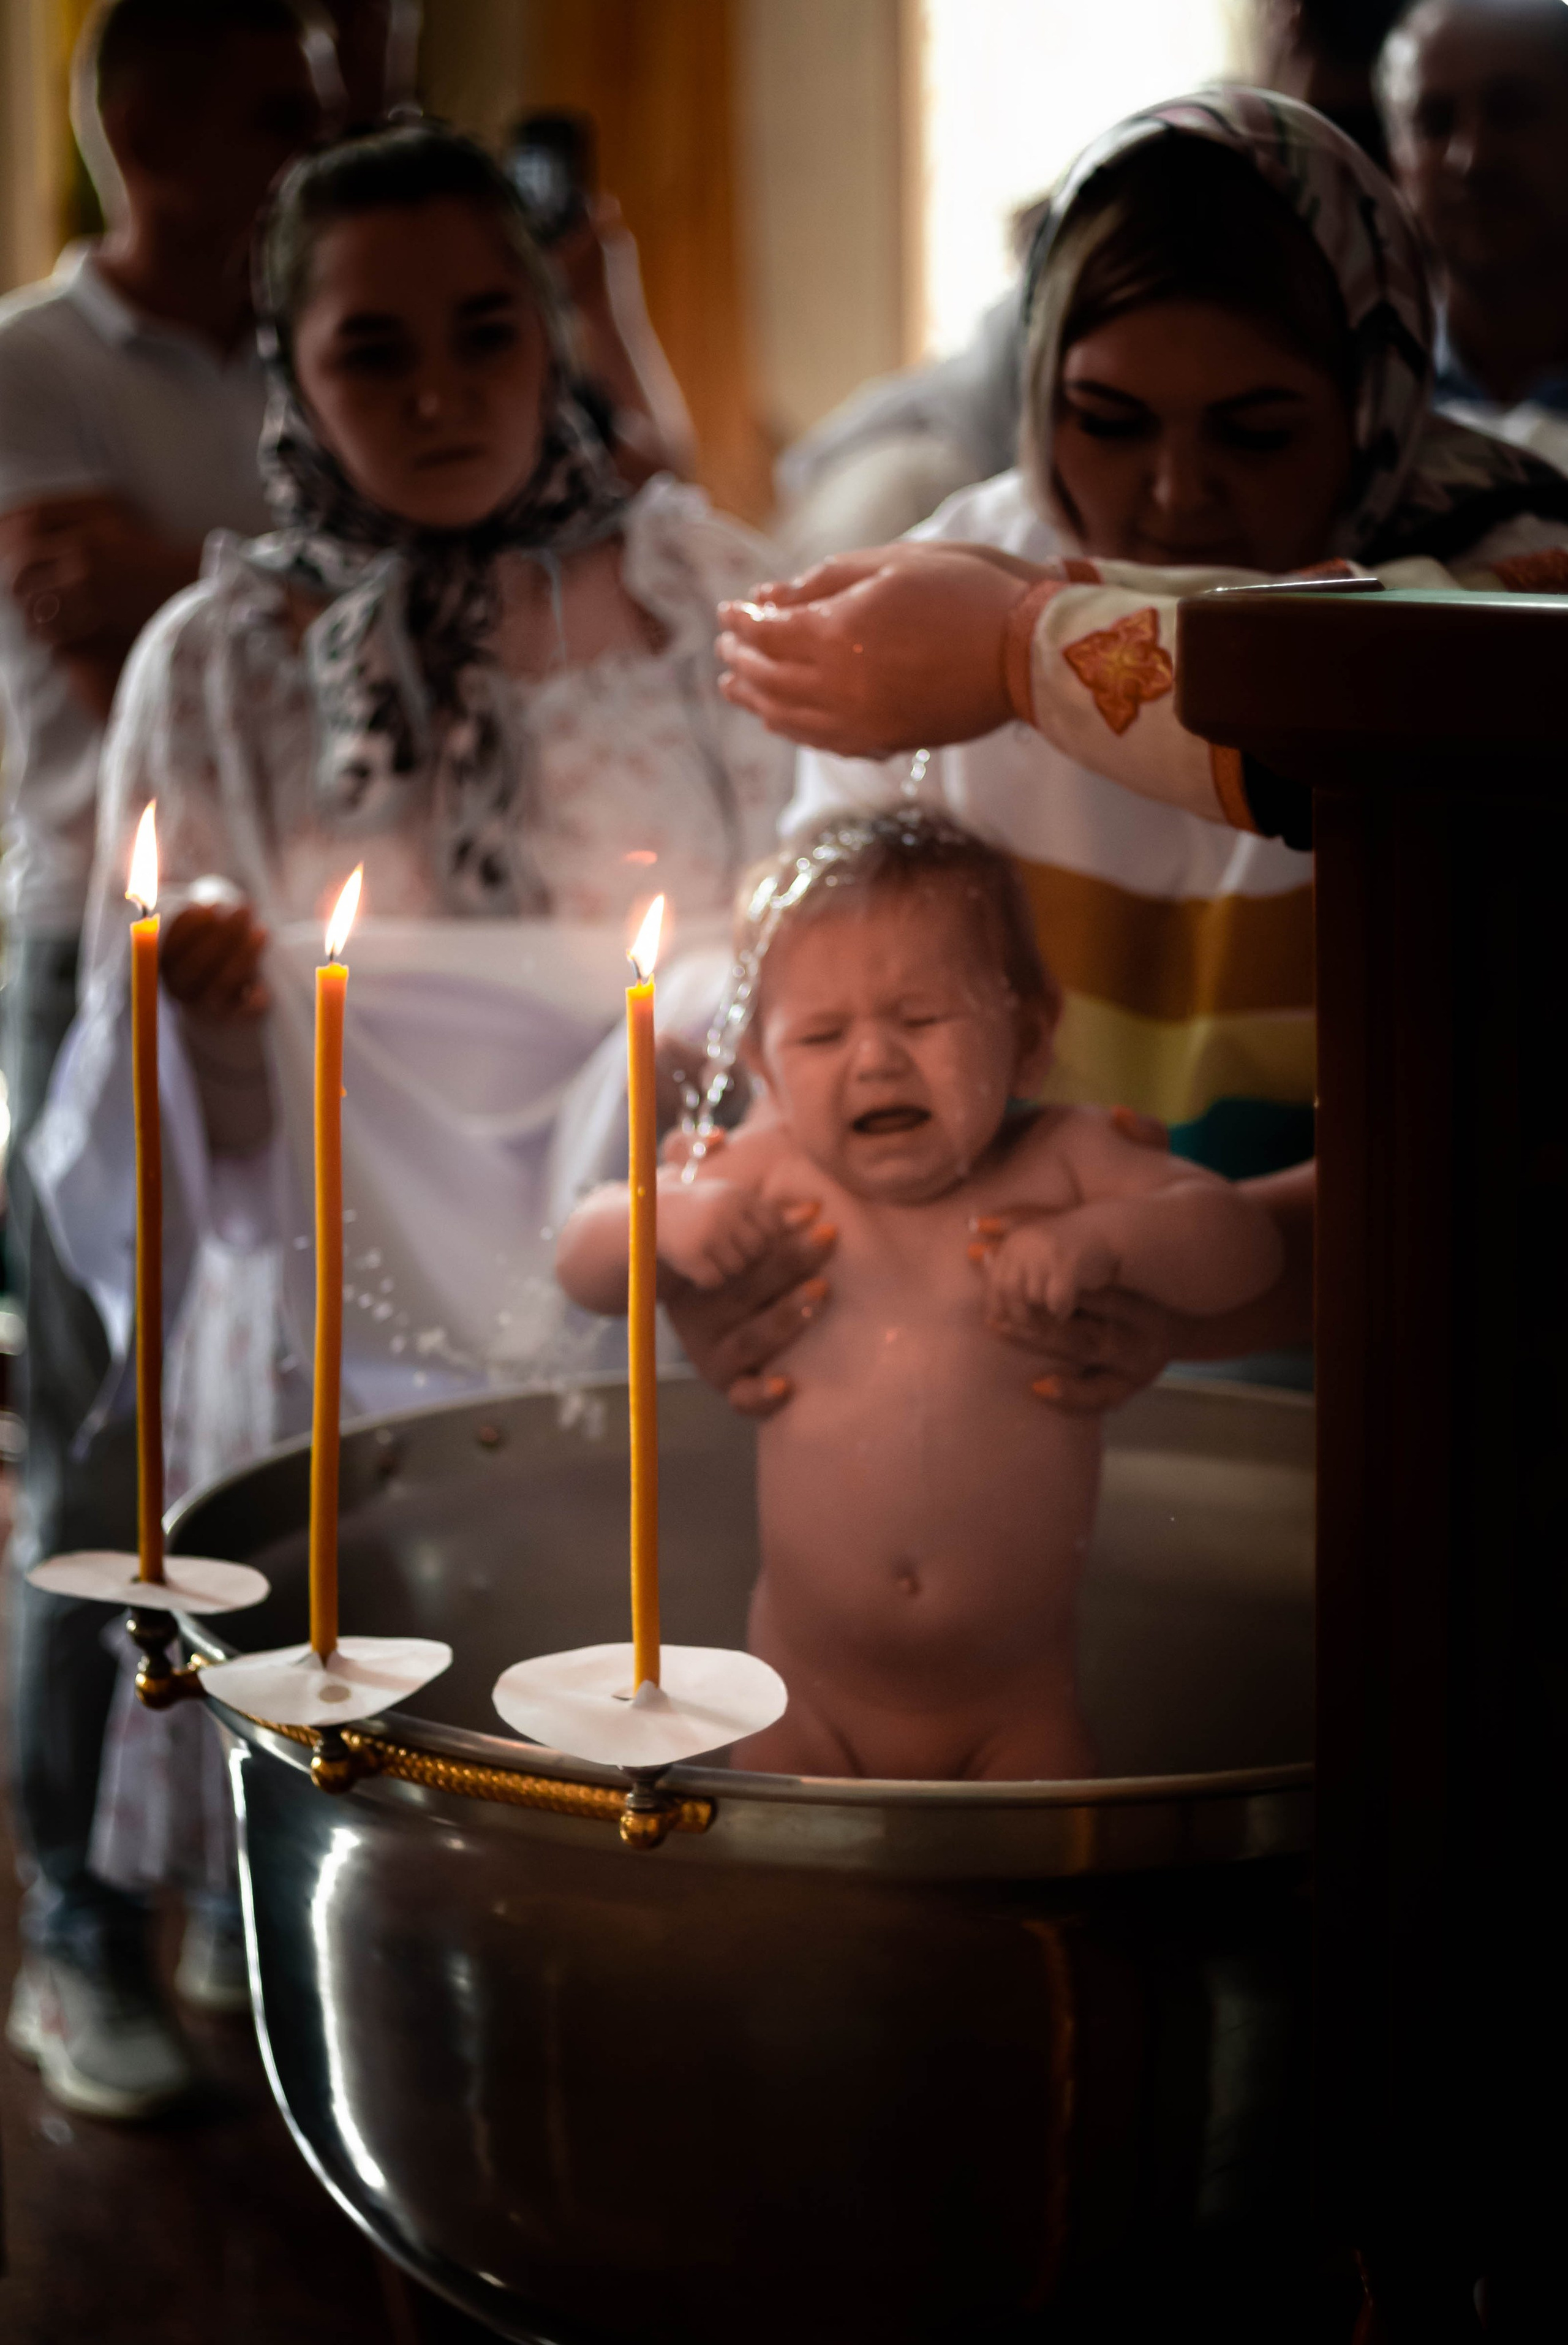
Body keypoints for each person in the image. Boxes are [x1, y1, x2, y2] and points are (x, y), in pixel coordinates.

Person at [708, 86, 1568, 1405]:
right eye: (1106, 422)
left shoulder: (1503, 587)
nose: (1173, 494)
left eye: (1255, 429)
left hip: (1411, 1359)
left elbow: (1503, 1138)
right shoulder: (933, 606)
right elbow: (821, 997)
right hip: (1019, 1341)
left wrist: (1023, 653)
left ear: (1375, 397)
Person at [0, 0, 333, 2123]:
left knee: (274, 1408)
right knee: (108, 1421)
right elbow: (85, 611)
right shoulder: (27, 361)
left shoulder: (309, 347)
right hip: (81, 942)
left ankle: (216, 1856)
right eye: (265, 103)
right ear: (134, 119)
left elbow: (171, 595)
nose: (302, 137)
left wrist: (210, 582)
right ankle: (67, 1914)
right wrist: (303, 585)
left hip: (296, 954)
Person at [558, 814, 1283, 1780]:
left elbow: (1246, 1247)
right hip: (803, 1697)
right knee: (792, 1912)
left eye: (921, 1018)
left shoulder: (1065, 1163)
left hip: (1016, 1711)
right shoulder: (771, 1175)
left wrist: (1106, 1240)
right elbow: (581, 1258)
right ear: (766, 1069)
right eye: (822, 1034)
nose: (874, 1060)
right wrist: (659, 1224)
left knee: (1047, 1917)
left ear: (1027, 1040)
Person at [1378, 0, 1568, 466]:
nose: (1472, 158)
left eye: (1511, 112)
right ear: (1396, 161)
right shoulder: (1362, 398)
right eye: (1434, 123)